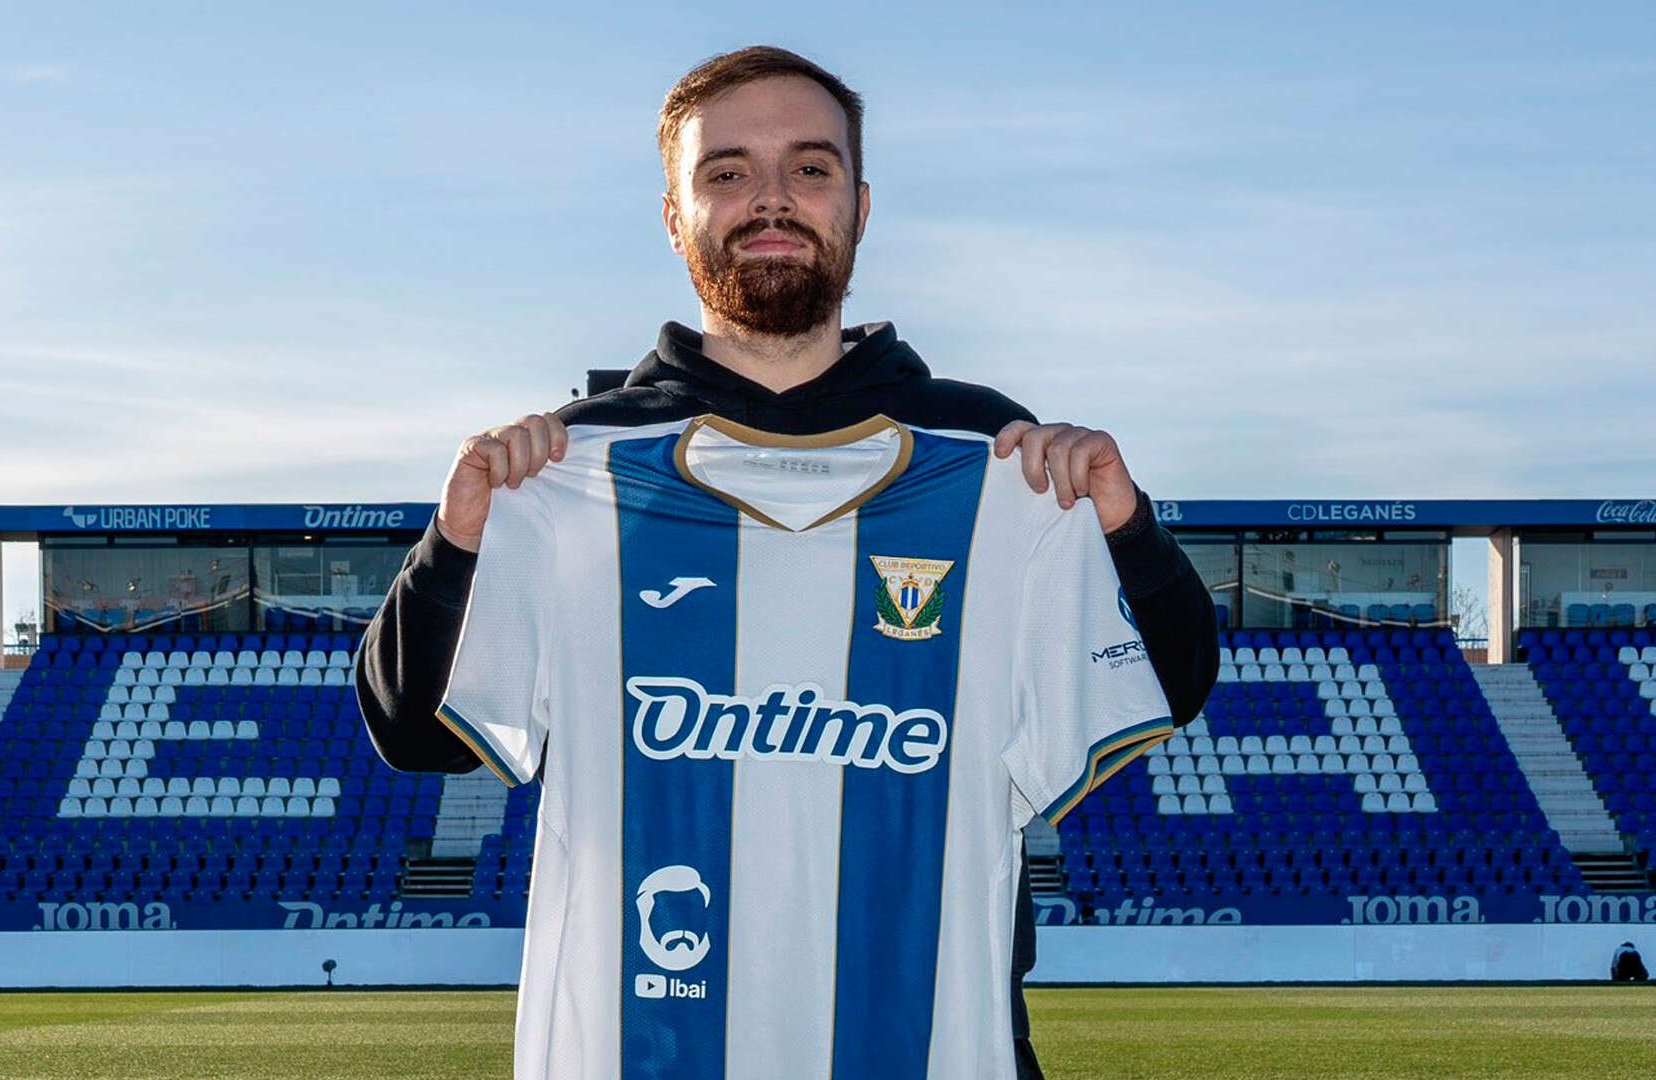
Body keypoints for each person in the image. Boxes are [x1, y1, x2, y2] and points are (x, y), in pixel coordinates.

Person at [357, 45, 1220, 1079]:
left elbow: (1172, 686)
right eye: (726, 173)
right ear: (675, 214)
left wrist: (1126, 529)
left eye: (809, 169)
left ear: (859, 203)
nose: (770, 198)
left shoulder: (992, 457)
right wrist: (456, 543)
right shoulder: (570, 470)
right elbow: (413, 731)